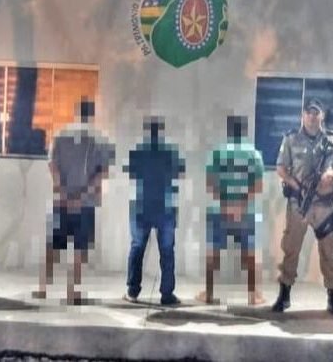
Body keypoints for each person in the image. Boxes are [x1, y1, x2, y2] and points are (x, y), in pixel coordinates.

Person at [272, 98, 333, 316]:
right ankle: (284, 294)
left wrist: (331, 174)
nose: (312, 117)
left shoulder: (332, 139)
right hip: (299, 204)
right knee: (291, 248)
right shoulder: (291, 138)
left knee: (328, 251)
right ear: (303, 115)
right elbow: (281, 167)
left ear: (322, 116)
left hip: (324, 205)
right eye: (309, 113)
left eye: (316, 113)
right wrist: (295, 184)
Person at [41, 98, 114, 304]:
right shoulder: (101, 139)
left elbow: (52, 165)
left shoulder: (60, 135)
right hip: (86, 203)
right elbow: (102, 172)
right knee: (80, 248)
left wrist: (62, 191)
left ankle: (43, 288)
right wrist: (82, 196)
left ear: (75, 113)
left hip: (61, 201)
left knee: (53, 245)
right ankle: (72, 291)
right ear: (92, 115)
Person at [197, 115, 264, 305]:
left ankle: (209, 292)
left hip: (220, 210)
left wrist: (226, 205)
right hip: (247, 211)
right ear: (245, 131)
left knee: (213, 251)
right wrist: (240, 206)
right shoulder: (253, 154)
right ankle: (253, 295)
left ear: (228, 131)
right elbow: (257, 186)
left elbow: (210, 184)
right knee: (250, 252)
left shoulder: (217, 153)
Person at [123, 116, 185, 306]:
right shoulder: (170, 151)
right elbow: (179, 172)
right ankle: (167, 294)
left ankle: (133, 290)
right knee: (167, 251)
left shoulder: (138, 150)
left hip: (142, 205)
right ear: (161, 131)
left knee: (137, 248)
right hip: (165, 206)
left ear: (147, 131)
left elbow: (131, 172)